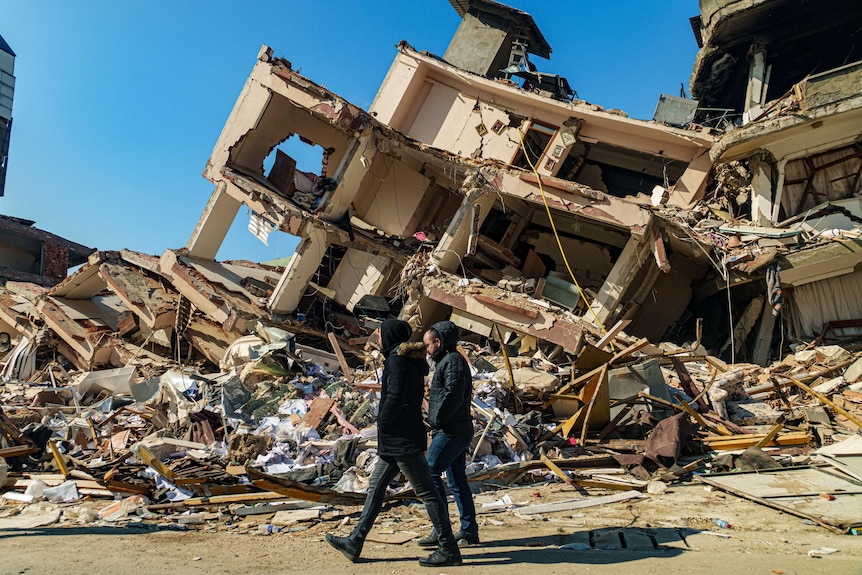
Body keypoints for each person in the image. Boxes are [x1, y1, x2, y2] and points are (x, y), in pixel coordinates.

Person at [326, 319, 463, 568]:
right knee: (376, 489)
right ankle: (355, 541)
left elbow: (396, 396)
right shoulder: (408, 360)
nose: (377, 339)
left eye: (380, 335)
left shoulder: (398, 361)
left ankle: (448, 548)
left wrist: (383, 422)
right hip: (398, 439)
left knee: (428, 493)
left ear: (389, 337)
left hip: (402, 438)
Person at [419, 320, 479, 548]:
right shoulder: (449, 361)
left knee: (429, 472)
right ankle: (468, 530)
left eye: (427, 345)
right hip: (455, 429)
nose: (426, 350)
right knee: (456, 481)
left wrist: (435, 420)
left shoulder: (452, 362)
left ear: (438, 342)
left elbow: (452, 395)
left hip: (451, 430)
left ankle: (441, 528)